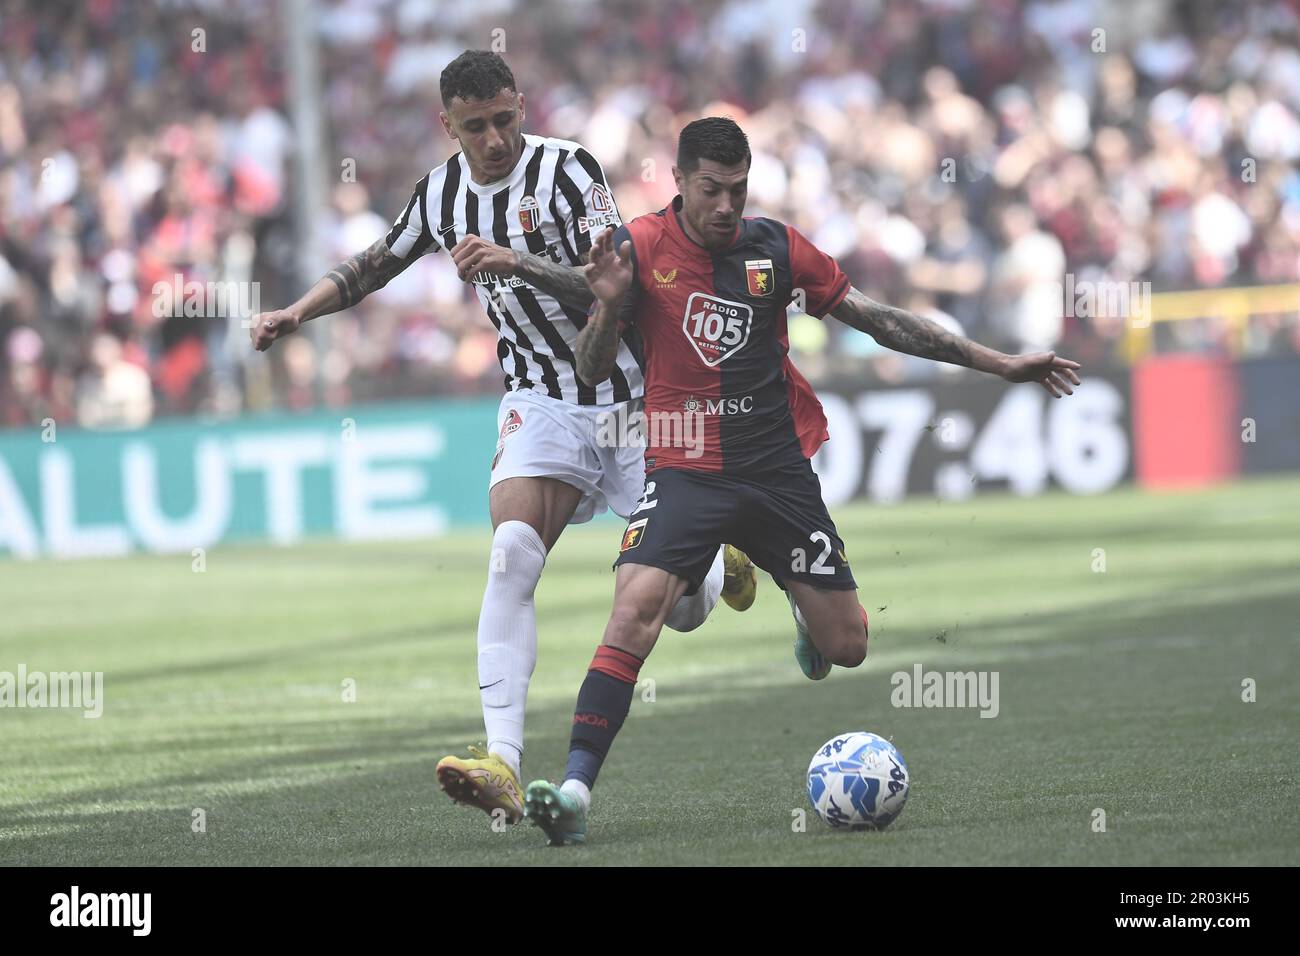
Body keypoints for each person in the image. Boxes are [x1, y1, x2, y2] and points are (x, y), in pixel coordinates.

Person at [523, 117, 1082, 846]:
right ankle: (574, 793)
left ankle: (795, 601)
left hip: (776, 472)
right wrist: (605, 303)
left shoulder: (777, 248)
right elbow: (593, 368)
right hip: (683, 467)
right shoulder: (639, 246)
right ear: (681, 183)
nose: (726, 205)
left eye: (738, 189)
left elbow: (879, 321)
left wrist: (999, 362)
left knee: (847, 646)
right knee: (634, 611)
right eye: (711, 190)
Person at [249, 55, 757, 824]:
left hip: (631, 399)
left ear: (521, 106)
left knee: (681, 609)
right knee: (511, 552)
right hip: (540, 400)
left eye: (505, 119)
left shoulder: (569, 171)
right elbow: (372, 266)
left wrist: (515, 261)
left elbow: (614, 283)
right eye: (475, 126)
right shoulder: (440, 194)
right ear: (447, 126)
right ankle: (504, 763)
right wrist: (297, 311)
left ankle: (716, 562)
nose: (494, 138)